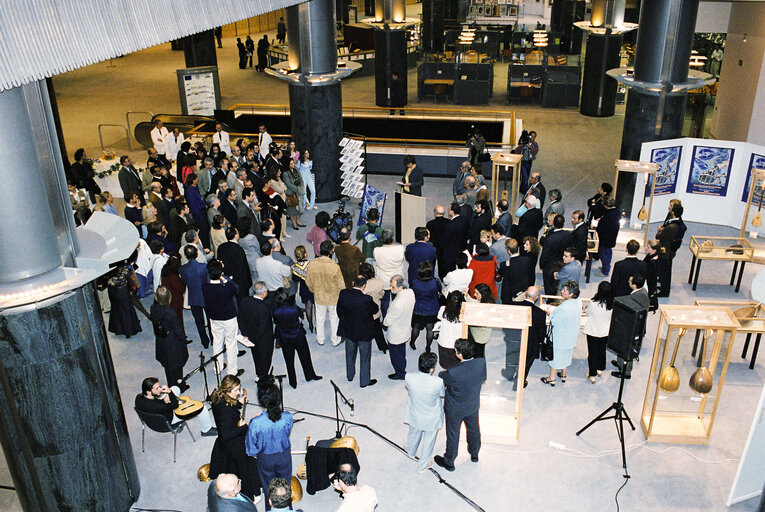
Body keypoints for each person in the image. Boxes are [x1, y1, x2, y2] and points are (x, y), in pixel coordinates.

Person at [434, 338, 487, 472]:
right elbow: (483, 378)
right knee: (474, 429)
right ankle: (474, 454)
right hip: (472, 404)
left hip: (455, 408)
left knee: (453, 434)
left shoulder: (453, 372)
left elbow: (441, 376)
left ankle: (449, 461)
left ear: (460, 354)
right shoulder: (481, 363)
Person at [209, 376, 260, 500]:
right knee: (243, 470)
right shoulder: (226, 410)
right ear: (227, 390)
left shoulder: (217, 397)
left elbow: (227, 409)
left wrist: (238, 403)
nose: (238, 392)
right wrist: (245, 425)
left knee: (234, 468)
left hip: (224, 444)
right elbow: (228, 432)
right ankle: (249, 497)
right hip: (234, 445)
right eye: (236, 390)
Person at [245, 383, 293, 510]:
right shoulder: (288, 417)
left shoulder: (255, 423)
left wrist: (256, 454)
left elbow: (250, 447)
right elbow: (286, 433)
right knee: (285, 486)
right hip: (283, 456)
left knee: (268, 488)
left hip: (265, 459)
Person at [271, 288, 322, 389]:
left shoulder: (275, 311)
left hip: (284, 337)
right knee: (305, 357)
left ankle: (293, 382)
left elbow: (276, 322)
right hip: (298, 336)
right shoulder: (293, 308)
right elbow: (301, 316)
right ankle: (309, 375)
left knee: (289, 361)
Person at [404, 351, 445, 473]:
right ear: (432, 369)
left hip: (415, 412)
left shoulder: (409, 377)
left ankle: (410, 452)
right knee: (428, 441)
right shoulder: (438, 382)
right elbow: (442, 394)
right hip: (431, 417)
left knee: (413, 432)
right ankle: (422, 465)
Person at [203, 259, 243, 377]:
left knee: (217, 341)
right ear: (220, 273)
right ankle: (232, 371)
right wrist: (224, 278)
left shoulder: (205, 287)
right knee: (230, 343)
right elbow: (236, 288)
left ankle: (218, 367)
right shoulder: (227, 288)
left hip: (214, 319)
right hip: (229, 318)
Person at [337, 275, 380, 388]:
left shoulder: (343, 293)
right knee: (365, 357)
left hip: (349, 330)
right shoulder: (366, 299)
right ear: (364, 285)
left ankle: (350, 375)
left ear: (353, 283)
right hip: (364, 333)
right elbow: (375, 310)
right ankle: (364, 381)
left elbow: (339, 310)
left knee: (350, 354)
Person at [541, 280, 582, 386]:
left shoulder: (564, 308)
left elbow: (554, 321)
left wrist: (549, 313)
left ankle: (552, 378)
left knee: (555, 358)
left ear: (571, 294)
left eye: (564, 290)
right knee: (567, 356)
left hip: (560, 337)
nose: (562, 291)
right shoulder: (578, 302)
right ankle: (563, 375)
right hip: (571, 335)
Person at [305, 240, 345, 347]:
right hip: (333, 297)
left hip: (319, 295)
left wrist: (314, 290)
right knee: (334, 318)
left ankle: (320, 339)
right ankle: (335, 340)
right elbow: (341, 285)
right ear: (331, 252)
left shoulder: (312, 265)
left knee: (319, 317)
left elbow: (308, 281)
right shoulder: (335, 267)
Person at [611, 274, 650, 379]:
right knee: (622, 348)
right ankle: (620, 364)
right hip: (633, 325)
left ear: (635, 285)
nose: (628, 281)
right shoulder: (643, 292)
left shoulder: (635, 297)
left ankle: (626, 372)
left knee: (626, 349)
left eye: (630, 280)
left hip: (631, 328)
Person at [238, 282, 275, 381]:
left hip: (250, 336)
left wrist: (245, 334)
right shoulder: (264, 308)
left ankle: (259, 374)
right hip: (263, 338)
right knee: (265, 358)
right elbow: (262, 327)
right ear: (263, 293)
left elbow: (241, 319)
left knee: (256, 357)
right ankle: (263, 378)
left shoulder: (245, 301)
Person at [179, 245, 212, 348]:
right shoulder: (204, 266)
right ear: (197, 253)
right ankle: (213, 339)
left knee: (199, 322)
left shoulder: (182, 269)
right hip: (206, 295)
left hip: (193, 297)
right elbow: (208, 280)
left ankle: (204, 342)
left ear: (185, 255)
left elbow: (184, 282)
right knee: (210, 320)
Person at [384, 275, 415, 380]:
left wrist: (384, 323)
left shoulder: (397, 304)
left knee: (395, 354)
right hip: (405, 328)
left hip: (396, 333)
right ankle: (402, 365)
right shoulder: (410, 292)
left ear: (400, 287)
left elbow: (388, 320)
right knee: (401, 351)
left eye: (393, 287)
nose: (391, 288)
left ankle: (400, 373)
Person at [584, 281, 614, 383]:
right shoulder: (612, 305)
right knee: (601, 350)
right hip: (605, 332)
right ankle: (600, 368)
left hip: (593, 331)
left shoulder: (593, 303)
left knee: (592, 352)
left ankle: (592, 374)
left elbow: (588, 313)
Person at [410, 261, 441, 353]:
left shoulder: (415, 282)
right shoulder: (435, 282)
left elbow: (412, 293)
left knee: (416, 327)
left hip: (419, 309)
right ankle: (428, 347)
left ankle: (412, 342)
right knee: (430, 329)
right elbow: (440, 291)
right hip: (432, 309)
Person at [373, 229, 405, 317]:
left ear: (382, 240)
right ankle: (397, 317)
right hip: (397, 278)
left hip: (384, 280)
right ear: (393, 238)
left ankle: (385, 319)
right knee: (398, 300)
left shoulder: (377, 251)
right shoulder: (400, 249)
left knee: (384, 301)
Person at [106, 263, 142, 338]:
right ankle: (128, 331)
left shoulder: (108, 269)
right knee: (126, 311)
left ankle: (117, 329)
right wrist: (133, 291)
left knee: (116, 309)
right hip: (122, 291)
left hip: (112, 291)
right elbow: (132, 281)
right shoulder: (125, 269)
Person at [218, 227, 253, 302]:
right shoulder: (239, 250)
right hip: (239, 282)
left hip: (226, 278)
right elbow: (243, 268)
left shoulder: (221, 247)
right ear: (235, 235)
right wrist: (249, 283)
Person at [539, 214, 570, 295]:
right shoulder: (568, 234)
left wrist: (542, 265)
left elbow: (544, 254)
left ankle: (550, 301)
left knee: (549, 285)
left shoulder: (549, 239)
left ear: (554, 223)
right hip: (563, 262)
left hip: (550, 265)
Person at [359, 263, 387, 353]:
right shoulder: (378, 282)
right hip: (375, 311)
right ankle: (383, 347)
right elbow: (382, 294)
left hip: (363, 312)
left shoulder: (360, 284)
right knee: (378, 330)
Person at [496, 238, 532, 304]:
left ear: (508, 251)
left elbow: (501, 274)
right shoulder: (527, 260)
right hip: (523, 293)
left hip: (509, 296)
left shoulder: (504, 264)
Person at [435, 291, 465, 370]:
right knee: (456, 366)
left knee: (445, 364)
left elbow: (439, 318)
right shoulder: (463, 314)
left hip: (443, 342)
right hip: (456, 345)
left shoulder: (443, 310)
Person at [595, 197, 620, 277]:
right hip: (610, 237)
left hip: (606, 238)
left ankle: (605, 271)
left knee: (604, 254)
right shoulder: (616, 211)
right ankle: (605, 267)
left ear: (606, 206)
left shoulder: (610, 216)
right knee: (607, 253)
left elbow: (603, 227)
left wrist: (599, 223)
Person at [291, 245, 315, 332]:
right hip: (314, 287)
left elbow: (295, 279)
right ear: (305, 254)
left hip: (304, 288)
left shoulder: (294, 267)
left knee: (308, 307)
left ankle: (311, 325)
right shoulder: (312, 264)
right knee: (317, 307)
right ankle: (318, 324)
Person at [467, 283, 494, 358]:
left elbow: (478, 321)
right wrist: (467, 296)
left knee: (478, 354)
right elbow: (475, 303)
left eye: (477, 293)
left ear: (483, 294)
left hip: (480, 337)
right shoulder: (484, 301)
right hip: (478, 334)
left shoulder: (486, 307)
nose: (474, 295)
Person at [645, 239, 670, 309]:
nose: (646, 248)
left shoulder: (652, 262)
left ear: (654, 250)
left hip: (650, 281)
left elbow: (648, 273)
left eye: (648, 247)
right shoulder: (652, 255)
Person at [283, 159, 305, 230]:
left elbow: (301, 179)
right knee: (292, 208)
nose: (293, 165)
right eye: (291, 164)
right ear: (288, 165)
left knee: (300, 207)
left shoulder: (296, 169)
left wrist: (301, 188)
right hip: (291, 192)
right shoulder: (286, 173)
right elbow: (288, 184)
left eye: (293, 163)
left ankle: (298, 221)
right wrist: (296, 189)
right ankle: (293, 222)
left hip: (299, 191)